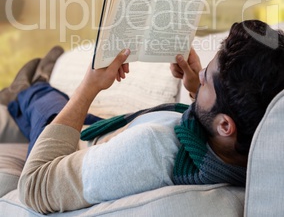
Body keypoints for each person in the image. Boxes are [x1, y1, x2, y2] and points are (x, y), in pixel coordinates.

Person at [1, 20, 284, 214]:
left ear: (225, 125)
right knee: (55, 100)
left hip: (80, 146)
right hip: (112, 128)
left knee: (43, 103)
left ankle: (26, 84)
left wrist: (89, 87)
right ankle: (42, 73)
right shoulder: (256, 155)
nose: (200, 75)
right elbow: (222, 140)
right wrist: (197, 89)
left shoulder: (150, 150)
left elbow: (35, 185)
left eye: (207, 79)